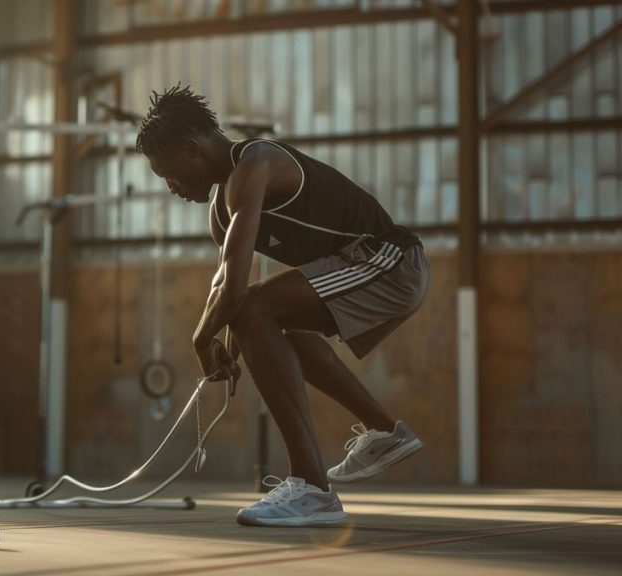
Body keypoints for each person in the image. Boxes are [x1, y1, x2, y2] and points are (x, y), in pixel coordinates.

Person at [135, 85, 429, 527]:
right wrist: (231, 351)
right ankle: (384, 433)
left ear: (191, 149)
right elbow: (228, 286)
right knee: (273, 325)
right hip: (352, 267)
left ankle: (311, 487)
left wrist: (201, 338)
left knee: (255, 308)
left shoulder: (257, 163)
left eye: (168, 174)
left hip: (390, 260)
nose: (171, 188)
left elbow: (237, 293)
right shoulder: (221, 208)